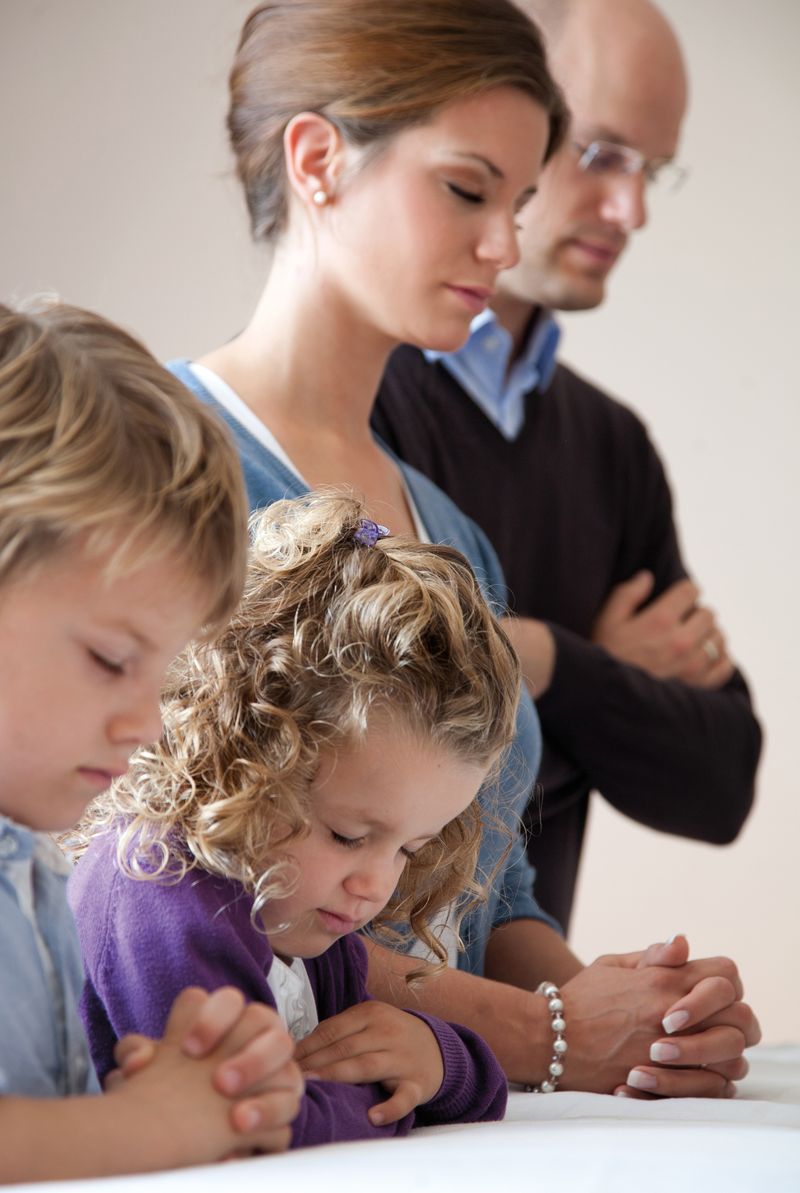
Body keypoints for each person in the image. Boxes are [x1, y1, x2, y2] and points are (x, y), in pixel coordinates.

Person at [167, 0, 758, 1098]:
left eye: (520, 201)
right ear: (317, 160)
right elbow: (179, 882)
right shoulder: (166, 470)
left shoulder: (454, 533)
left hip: (459, 1113)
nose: (504, 242)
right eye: (466, 189)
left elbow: (491, 888)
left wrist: (635, 1025)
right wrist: (542, 1029)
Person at [372, 0, 762, 933]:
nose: (632, 211)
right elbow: (368, 756)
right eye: (602, 155)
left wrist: (549, 664)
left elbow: (717, 782)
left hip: (524, 1031)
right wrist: (599, 682)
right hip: (357, 1021)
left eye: (653, 172)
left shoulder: (611, 443)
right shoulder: (356, 401)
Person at [69, 492, 517, 1144]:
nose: (375, 884)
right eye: (350, 836)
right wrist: (383, 1094)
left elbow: (472, 1094)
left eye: (409, 850)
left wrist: (433, 1058)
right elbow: (249, 1125)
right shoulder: (159, 891)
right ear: (243, 757)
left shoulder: (301, 922)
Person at [0, 299, 304, 1184]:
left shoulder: (28, 863)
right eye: (109, 658)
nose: (145, 726)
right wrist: (153, 1124)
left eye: (161, 678)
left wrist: (194, 1088)